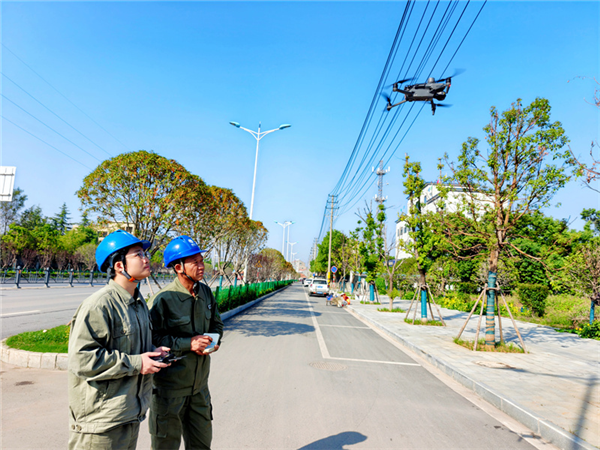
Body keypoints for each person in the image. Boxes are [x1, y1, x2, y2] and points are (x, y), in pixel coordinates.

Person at [68, 230, 170, 450]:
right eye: (138, 254)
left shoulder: (139, 302)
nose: (146, 258)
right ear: (119, 266)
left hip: (128, 414)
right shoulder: (99, 304)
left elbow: (132, 349)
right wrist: (138, 363)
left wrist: (152, 352)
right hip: (100, 424)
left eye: (145, 253)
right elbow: (81, 359)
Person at [148, 235, 224, 450]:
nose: (202, 266)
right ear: (179, 267)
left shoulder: (206, 293)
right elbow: (151, 339)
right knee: (166, 446)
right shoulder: (164, 299)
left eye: (202, 261)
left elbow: (217, 324)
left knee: (201, 445)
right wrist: (187, 343)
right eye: (196, 262)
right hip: (169, 391)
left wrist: (214, 342)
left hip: (199, 389)